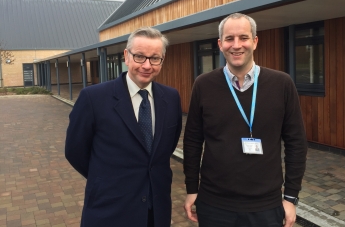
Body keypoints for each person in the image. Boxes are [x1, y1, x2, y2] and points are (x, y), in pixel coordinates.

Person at [183, 13, 307, 227]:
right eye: (229, 39)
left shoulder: (282, 84)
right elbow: (193, 141)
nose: (236, 45)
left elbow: (296, 143)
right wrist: (192, 188)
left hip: (266, 206)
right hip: (214, 205)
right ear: (220, 44)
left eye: (243, 37)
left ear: (255, 41)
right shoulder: (203, 85)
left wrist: (291, 197)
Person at [65, 27, 182, 227]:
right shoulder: (93, 98)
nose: (147, 65)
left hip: (156, 211)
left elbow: (165, 148)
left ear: (162, 60)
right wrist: (105, 178)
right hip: (110, 210)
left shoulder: (171, 98)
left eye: (155, 58)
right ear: (126, 56)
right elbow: (75, 151)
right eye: (139, 57)